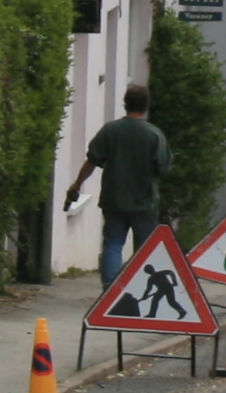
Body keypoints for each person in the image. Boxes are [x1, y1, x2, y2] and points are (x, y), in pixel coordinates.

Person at [67, 84, 171, 301]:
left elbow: (92, 161)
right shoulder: (154, 135)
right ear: (146, 106)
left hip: (114, 199)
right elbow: (163, 168)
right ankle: (140, 290)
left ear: (125, 104)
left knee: (113, 243)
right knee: (145, 248)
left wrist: (76, 185)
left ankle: (110, 289)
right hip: (144, 202)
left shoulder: (110, 131)